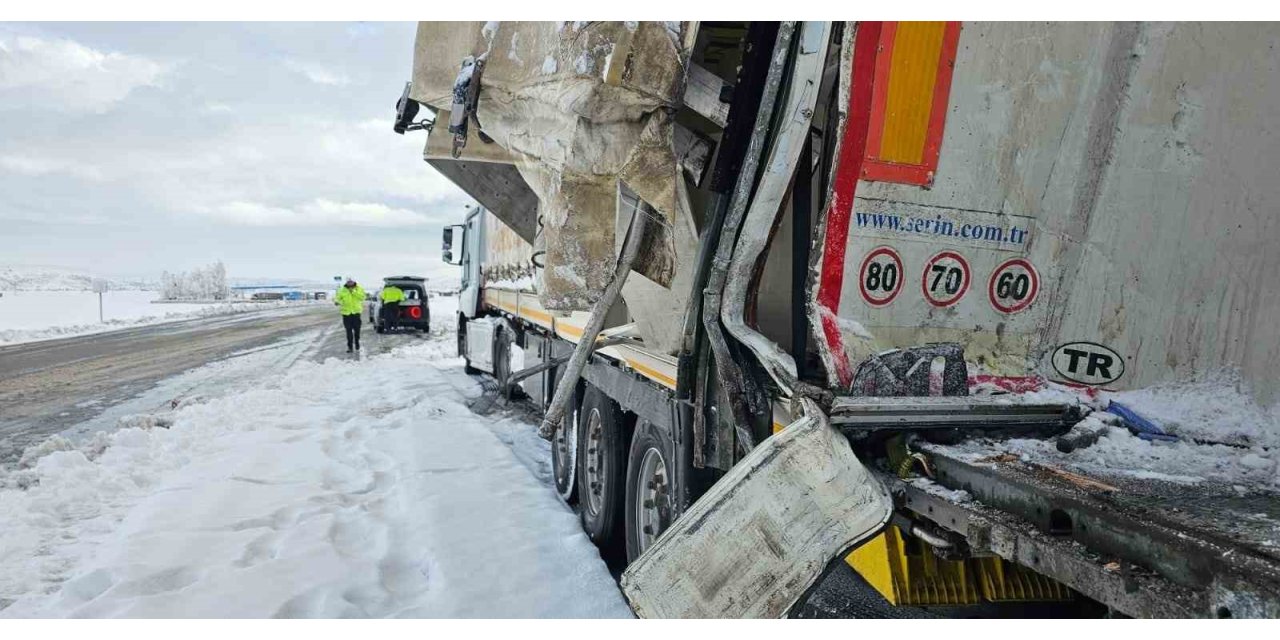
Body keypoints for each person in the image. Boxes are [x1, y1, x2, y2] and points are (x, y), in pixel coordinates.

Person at [334, 278, 365, 352]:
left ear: (354, 282)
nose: (349, 283)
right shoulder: (342, 290)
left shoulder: (359, 289)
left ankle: (357, 343)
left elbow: (362, 297)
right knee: (348, 330)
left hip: (356, 313)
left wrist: (353, 292)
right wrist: (337, 302)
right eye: (348, 282)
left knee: (357, 330)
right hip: (346, 314)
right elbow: (337, 298)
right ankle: (350, 347)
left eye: (351, 282)